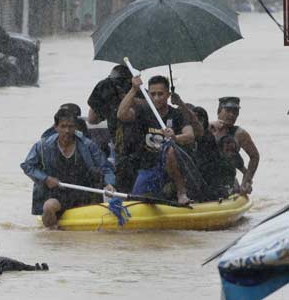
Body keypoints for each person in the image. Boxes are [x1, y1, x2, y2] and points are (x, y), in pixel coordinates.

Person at [22, 108, 116, 229]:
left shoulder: (88, 145)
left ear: (75, 127)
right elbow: (27, 166)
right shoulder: (42, 146)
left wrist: (109, 183)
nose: (67, 131)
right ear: (56, 127)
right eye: (63, 126)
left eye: (71, 127)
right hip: (57, 193)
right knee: (48, 207)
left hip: (85, 191)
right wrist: (45, 179)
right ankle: (52, 237)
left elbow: (106, 167)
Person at [117, 75, 195, 205]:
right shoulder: (143, 111)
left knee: (170, 150)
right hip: (149, 164)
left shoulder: (176, 114)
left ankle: (181, 192)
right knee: (137, 199)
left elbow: (190, 135)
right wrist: (133, 89)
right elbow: (121, 115)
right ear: (148, 94)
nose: (157, 98)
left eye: (160, 94)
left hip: (173, 162)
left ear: (168, 94)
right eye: (153, 94)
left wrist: (175, 137)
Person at [87, 64, 141, 191]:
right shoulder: (109, 96)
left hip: (137, 151)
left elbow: (125, 114)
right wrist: (102, 95)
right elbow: (92, 119)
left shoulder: (139, 97)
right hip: (120, 150)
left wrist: (131, 93)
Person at [210, 97, 259, 195]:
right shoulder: (206, 128)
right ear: (219, 111)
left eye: (235, 112)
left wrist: (247, 181)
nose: (231, 115)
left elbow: (255, 156)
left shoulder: (240, 134)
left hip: (227, 180)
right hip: (205, 176)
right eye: (228, 110)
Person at [190, 105, 238, 200]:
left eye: (200, 120)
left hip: (211, 177)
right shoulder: (185, 136)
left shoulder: (208, 138)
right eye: (194, 120)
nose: (196, 123)